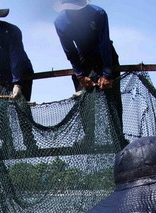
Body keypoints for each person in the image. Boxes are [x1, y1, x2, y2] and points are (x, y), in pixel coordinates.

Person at [53, 0, 122, 134]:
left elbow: (104, 43)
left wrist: (107, 74)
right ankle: (89, 137)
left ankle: (118, 134)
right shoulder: (60, 22)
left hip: (106, 54)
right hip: (83, 56)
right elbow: (70, 51)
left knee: (113, 101)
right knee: (84, 100)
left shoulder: (98, 13)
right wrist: (80, 74)